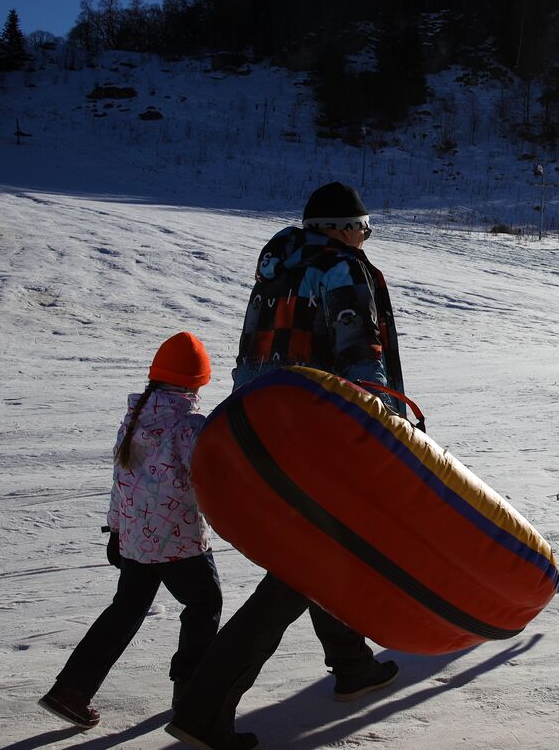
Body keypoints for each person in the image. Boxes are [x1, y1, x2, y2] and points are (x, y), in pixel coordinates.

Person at [169, 183, 401, 750]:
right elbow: (359, 351)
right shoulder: (342, 268)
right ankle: (203, 710)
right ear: (341, 227)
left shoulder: (277, 269)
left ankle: (351, 664)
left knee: (320, 553)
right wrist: (383, 424)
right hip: (317, 434)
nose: (365, 239)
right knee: (301, 571)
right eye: (363, 227)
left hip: (260, 426)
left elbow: (252, 354)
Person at [38, 333, 222, 730]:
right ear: (197, 381)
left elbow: (120, 479)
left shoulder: (135, 415)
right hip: (180, 542)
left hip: (137, 541)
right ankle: (191, 690)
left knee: (125, 610)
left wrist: (117, 531)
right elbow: (207, 483)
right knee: (205, 603)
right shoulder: (190, 425)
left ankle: (71, 690)